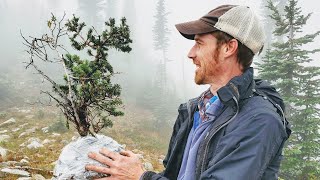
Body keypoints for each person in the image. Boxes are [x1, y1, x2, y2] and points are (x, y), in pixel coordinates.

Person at [85, 4, 291, 180]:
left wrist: (141, 176)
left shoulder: (259, 120)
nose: (190, 54)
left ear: (229, 48)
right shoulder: (194, 109)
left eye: (199, 43)